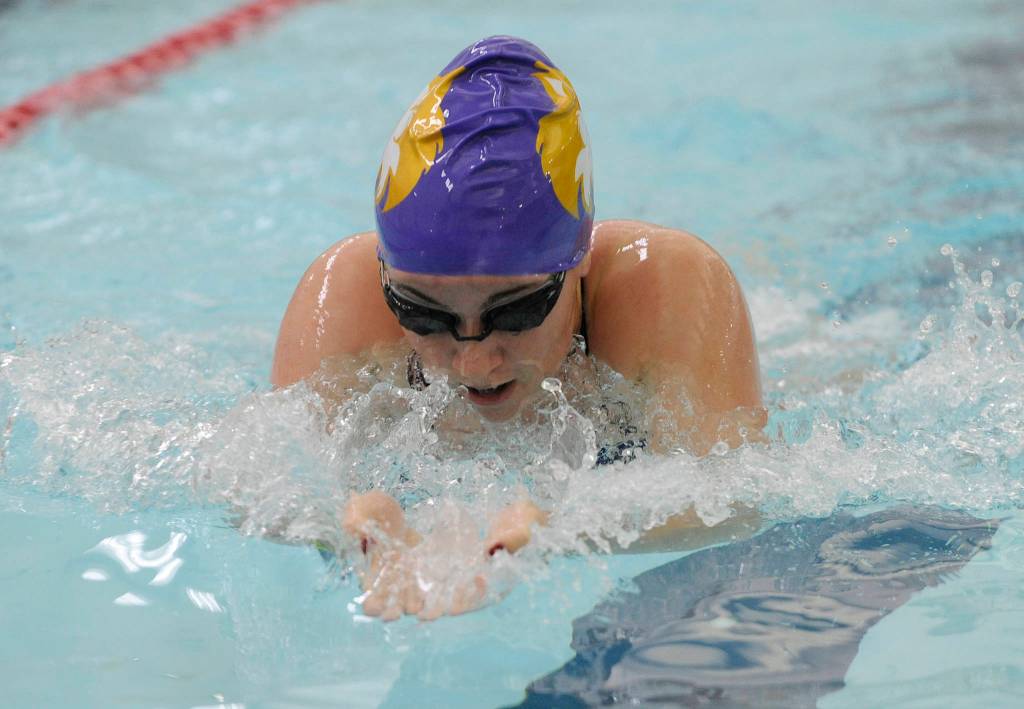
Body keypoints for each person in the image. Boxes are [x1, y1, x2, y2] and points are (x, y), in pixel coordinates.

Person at [271, 36, 765, 620]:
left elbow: (740, 498)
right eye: (423, 315)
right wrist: (338, 520)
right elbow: (256, 484)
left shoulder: (664, 286)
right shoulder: (346, 294)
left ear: (578, 256)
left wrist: (574, 526)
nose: (474, 363)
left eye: (516, 312)